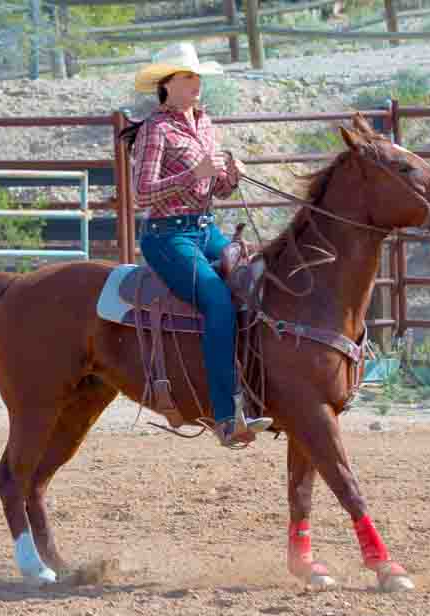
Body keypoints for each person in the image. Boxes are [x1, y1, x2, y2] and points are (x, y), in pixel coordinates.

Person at [119, 42, 272, 448]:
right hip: (167, 235)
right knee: (218, 303)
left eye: (197, 76)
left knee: (254, 285)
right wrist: (194, 175)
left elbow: (216, 190)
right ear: (167, 85)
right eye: (188, 77)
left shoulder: (205, 124)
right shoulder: (156, 129)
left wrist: (231, 177)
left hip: (205, 229)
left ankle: (259, 391)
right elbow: (142, 193)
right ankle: (225, 416)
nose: (196, 83)